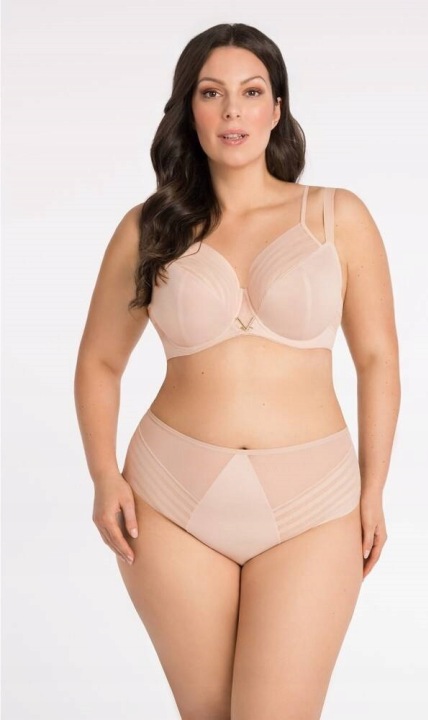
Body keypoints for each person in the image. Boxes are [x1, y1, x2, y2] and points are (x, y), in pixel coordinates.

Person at [74, 22, 401, 720]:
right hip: (171, 498)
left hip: (314, 503)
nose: (232, 111)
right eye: (211, 92)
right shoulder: (149, 227)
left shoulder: (338, 217)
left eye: (251, 92)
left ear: (277, 109)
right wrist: (104, 476)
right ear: (188, 109)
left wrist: (374, 488)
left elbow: (377, 359)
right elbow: (100, 362)